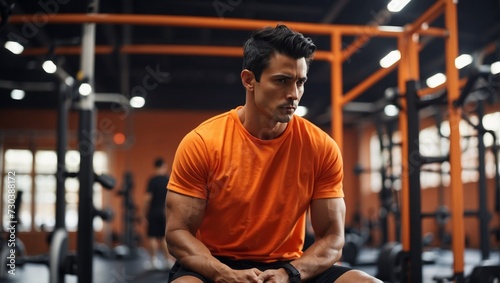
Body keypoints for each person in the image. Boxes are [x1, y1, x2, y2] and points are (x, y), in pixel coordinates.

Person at [165, 24, 382, 282]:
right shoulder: (202, 143)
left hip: (288, 266)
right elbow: (178, 232)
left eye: (300, 82)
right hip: (215, 262)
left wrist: (289, 273)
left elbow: (334, 239)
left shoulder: (321, 146)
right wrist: (224, 274)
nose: (294, 94)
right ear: (249, 80)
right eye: (281, 81)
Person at [142, 157, 175, 270]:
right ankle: (168, 261)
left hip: (154, 212)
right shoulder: (168, 180)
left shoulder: (152, 180)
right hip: (165, 212)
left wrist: (143, 214)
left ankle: (153, 261)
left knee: (152, 237)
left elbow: (147, 198)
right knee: (164, 237)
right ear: (164, 166)